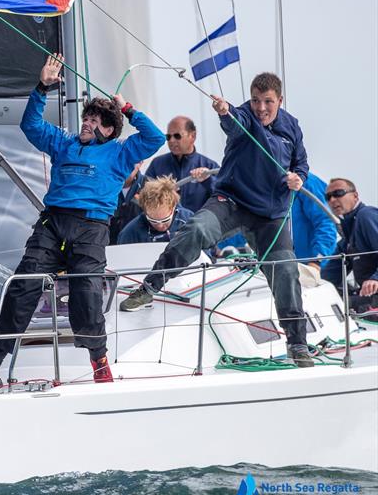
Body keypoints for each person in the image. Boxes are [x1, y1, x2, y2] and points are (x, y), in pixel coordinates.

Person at [0, 54, 164, 387]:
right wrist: (41, 86)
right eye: (87, 117)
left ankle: (99, 361)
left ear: (110, 130)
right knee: (21, 288)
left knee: (86, 293)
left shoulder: (120, 151)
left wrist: (127, 108)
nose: (88, 123)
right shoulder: (63, 143)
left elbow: (154, 138)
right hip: (53, 223)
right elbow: (30, 125)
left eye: (97, 120)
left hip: (91, 228)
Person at [119, 72, 315, 368]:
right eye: (255, 100)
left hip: (269, 216)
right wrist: (225, 111)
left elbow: (301, 162)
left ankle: (297, 343)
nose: (261, 107)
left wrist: (299, 177)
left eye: (268, 102)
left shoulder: (291, 126)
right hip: (231, 202)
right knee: (195, 228)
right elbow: (234, 122)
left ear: (280, 101)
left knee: (285, 271)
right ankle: (149, 288)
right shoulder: (244, 117)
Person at [321, 178, 378, 317]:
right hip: (370, 297)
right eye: (328, 197)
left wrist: (375, 278)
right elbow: (329, 275)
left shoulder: (366, 216)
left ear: (355, 196)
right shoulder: (348, 236)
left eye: (338, 193)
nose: (333, 200)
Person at [145, 116, 219, 213]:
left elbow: (224, 197)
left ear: (192, 136)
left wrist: (207, 180)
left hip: (198, 226)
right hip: (166, 226)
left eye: (177, 136)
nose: (171, 140)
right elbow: (144, 196)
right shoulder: (157, 164)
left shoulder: (210, 166)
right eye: (168, 137)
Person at [291, 171, 337, 286]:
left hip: (314, 272)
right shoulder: (263, 185)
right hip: (283, 271)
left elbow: (326, 223)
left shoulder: (307, 182)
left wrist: (316, 262)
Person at [118, 176, 193, 244]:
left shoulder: (190, 220)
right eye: (153, 221)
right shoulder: (130, 233)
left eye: (165, 220)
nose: (160, 226)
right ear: (145, 212)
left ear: (173, 208)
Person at [108, 161, 145, 244]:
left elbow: (177, 214)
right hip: (106, 248)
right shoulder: (101, 188)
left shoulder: (154, 189)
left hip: (140, 249)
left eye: (128, 161)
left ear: (140, 163)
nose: (122, 169)